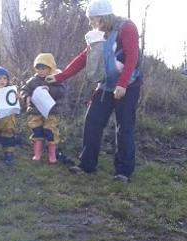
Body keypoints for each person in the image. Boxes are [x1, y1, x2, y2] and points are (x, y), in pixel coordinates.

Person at [45, 0, 142, 181]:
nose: (90, 23)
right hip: (105, 87)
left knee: (124, 128)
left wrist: (122, 84)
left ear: (103, 17)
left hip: (128, 86)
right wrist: (60, 77)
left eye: (92, 19)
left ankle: (123, 172)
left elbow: (132, 58)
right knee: (92, 122)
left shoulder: (127, 28)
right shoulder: (98, 34)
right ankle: (87, 165)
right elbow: (83, 58)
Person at [21, 53, 66, 164]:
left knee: (51, 131)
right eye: (38, 68)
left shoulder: (56, 79)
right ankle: (37, 154)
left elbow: (62, 91)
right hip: (36, 112)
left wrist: (50, 90)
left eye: (43, 68)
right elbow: (24, 90)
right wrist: (26, 97)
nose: (40, 71)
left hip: (51, 112)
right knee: (36, 131)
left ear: (50, 68)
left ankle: (52, 156)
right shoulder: (33, 81)